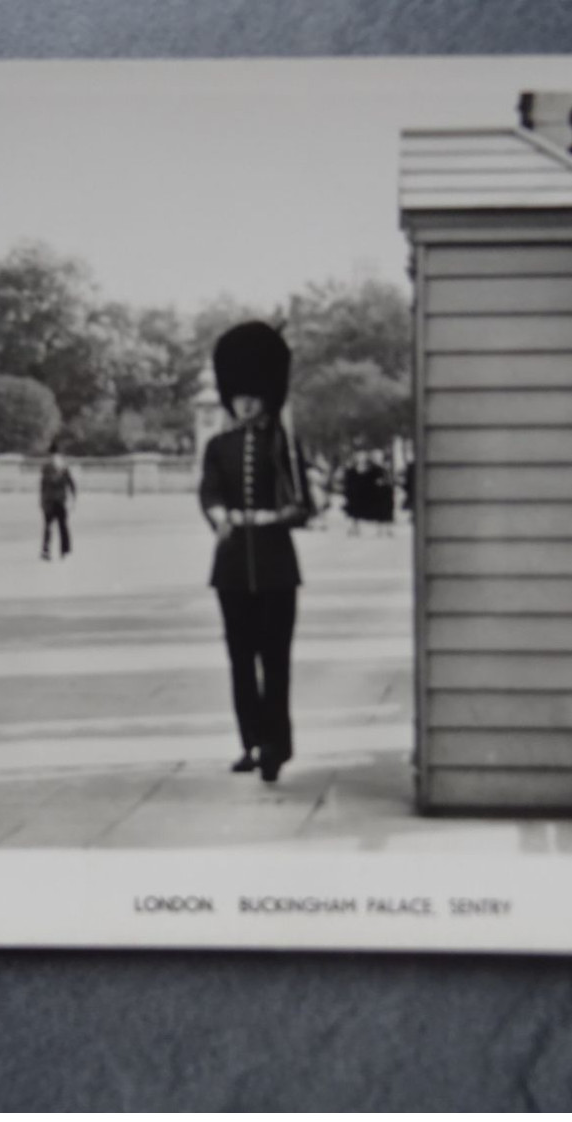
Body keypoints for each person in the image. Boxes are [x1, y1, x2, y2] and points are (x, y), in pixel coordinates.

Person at [198, 322, 315, 784]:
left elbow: (302, 506)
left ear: (267, 395)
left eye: (254, 394)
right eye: (239, 395)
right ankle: (249, 741)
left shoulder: (282, 445)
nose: (245, 402)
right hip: (230, 569)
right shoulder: (218, 446)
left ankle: (277, 744)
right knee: (241, 661)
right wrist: (219, 515)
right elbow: (208, 493)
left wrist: (279, 512)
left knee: (276, 660)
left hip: (276, 566)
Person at [39, 442, 76, 561]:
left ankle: (46, 550)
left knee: (48, 525)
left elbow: (43, 484)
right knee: (63, 526)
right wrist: (73, 496)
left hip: (49, 499)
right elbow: (71, 482)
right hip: (61, 499)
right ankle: (64, 550)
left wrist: (42, 500)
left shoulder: (46, 466)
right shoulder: (64, 466)